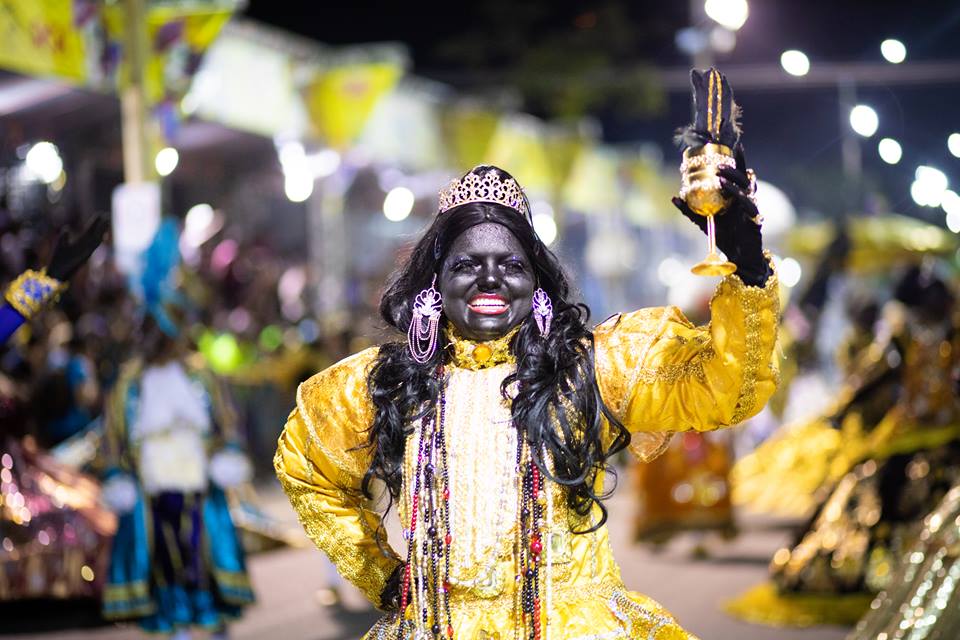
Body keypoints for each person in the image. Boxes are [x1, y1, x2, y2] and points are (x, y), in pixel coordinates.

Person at [275, 156, 779, 637]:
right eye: (467, 264)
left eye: (510, 265)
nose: (490, 279)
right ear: (436, 281)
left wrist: (748, 265)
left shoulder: (591, 368)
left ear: (535, 282)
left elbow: (724, 389)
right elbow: (306, 465)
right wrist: (378, 571)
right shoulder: (386, 382)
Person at [99, 221, 255, 640]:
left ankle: (214, 625)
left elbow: (227, 423)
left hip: (199, 484)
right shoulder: (130, 383)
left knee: (204, 560)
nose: (157, 341)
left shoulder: (200, 377)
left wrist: (227, 455)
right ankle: (176, 628)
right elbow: (113, 436)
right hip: (152, 488)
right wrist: (116, 475)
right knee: (164, 564)